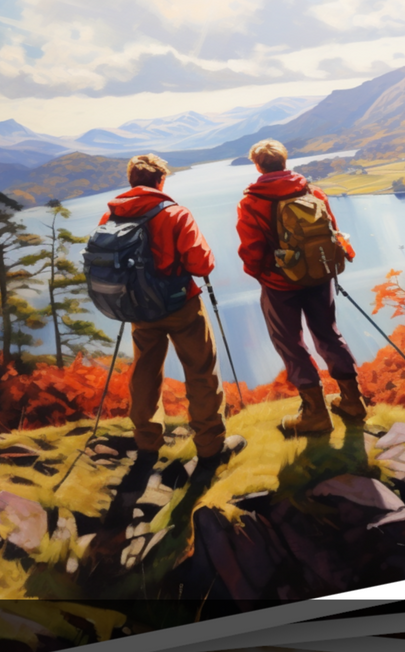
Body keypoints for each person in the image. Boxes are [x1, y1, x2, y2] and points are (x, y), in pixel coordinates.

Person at [99, 154, 243, 472]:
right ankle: (210, 446)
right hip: (180, 304)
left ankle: (148, 442)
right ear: (160, 181)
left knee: (145, 372)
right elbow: (201, 264)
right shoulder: (175, 213)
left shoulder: (111, 215)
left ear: (131, 181)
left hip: (138, 308)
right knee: (201, 371)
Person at [236, 139, 367, 438]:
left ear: (257, 166)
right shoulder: (312, 192)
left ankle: (315, 415)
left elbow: (251, 251)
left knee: (291, 344)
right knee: (329, 335)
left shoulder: (251, 202)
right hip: (319, 277)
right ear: (284, 162)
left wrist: (262, 275)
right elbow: (332, 230)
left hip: (279, 284)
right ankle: (352, 402)